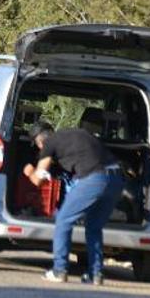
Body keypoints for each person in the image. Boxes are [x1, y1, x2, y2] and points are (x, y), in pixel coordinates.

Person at [23, 122, 125, 285]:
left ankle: (59, 270)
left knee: (63, 220)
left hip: (94, 179)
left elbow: (38, 180)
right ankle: (95, 274)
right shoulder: (78, 133)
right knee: (93, 226)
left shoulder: (49, 144)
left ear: (40, 142)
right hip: (116, 179)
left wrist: (29, 171)